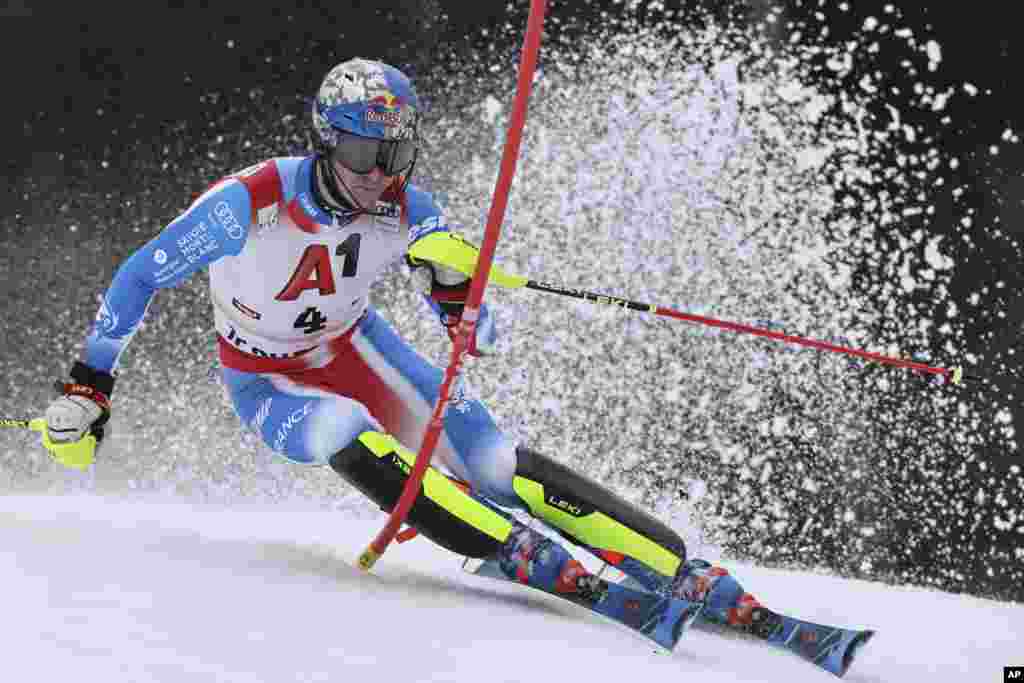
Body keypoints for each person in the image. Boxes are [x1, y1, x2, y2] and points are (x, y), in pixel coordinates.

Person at [41, 57, 769, 637]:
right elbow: (141, 273)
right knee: (342, 431)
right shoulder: (250, 203)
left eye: (396, 152)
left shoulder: (409, 209)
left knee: (490, 460)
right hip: (267, 378)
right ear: (328, 139)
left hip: (360, 350)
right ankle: (511, 549)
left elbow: (475, 338)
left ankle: (669, 563)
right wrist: (88, 387)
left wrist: (457, 287)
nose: (378, 171)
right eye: (363, 149)